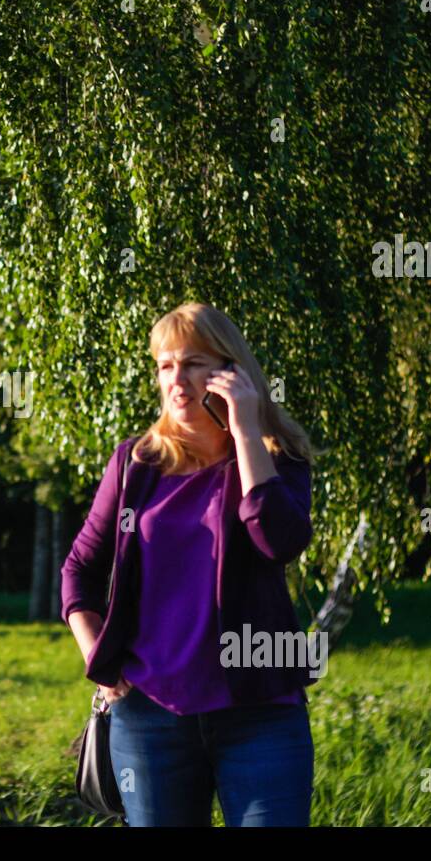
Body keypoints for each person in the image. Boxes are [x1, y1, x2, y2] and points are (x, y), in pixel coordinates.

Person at [61, 301, 319, 827]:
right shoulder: (135, 466)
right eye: (164, 365)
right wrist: (102, 663)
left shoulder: (279, 457)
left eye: (194, 363)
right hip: (151, 719)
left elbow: (279, 542)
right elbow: (79, 574)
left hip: (261, 713)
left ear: (232, 371)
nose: (177, 380)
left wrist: (246, 432)